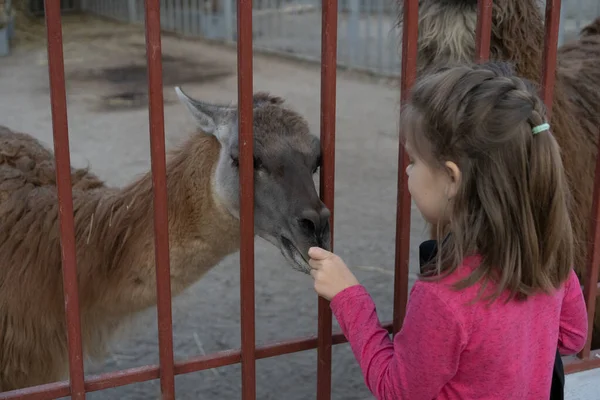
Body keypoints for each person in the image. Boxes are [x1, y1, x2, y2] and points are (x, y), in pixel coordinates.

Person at [308, 61, 588, 400]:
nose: (408, 172)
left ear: (452, 179)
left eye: (413, 160)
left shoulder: (445, 296)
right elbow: (572, 336)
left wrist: (348, 296)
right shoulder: (549, 257)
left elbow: (398, 390)